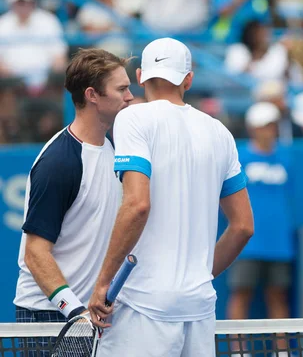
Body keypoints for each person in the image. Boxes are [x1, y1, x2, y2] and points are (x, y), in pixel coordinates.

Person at [88, 38, 254, 357]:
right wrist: (198, 276)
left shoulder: (133, 118)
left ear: (140, 77)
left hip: (143, 305)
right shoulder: (220, 132)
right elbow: (243, 226)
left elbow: (137, 204)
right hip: (200, 306)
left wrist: (103, 283)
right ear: (188, 79)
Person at [13, 49, 133, 353]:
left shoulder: (111, 148)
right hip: (50, 318)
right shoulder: (60, 162)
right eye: (121, 89)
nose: (130, 97)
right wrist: (75, 311)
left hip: (84, 317)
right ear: (92, 95)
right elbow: (35, 254)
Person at [227, 102, 294, 356]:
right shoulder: (240, 156)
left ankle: (282, 352)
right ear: (253, 128)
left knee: (277, 296)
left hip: (279, 243)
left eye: (273, 125)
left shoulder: (285, 157)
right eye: (265, 126)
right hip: (246, 244)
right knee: (241, 294)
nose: (270, 130)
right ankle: (238, 352)